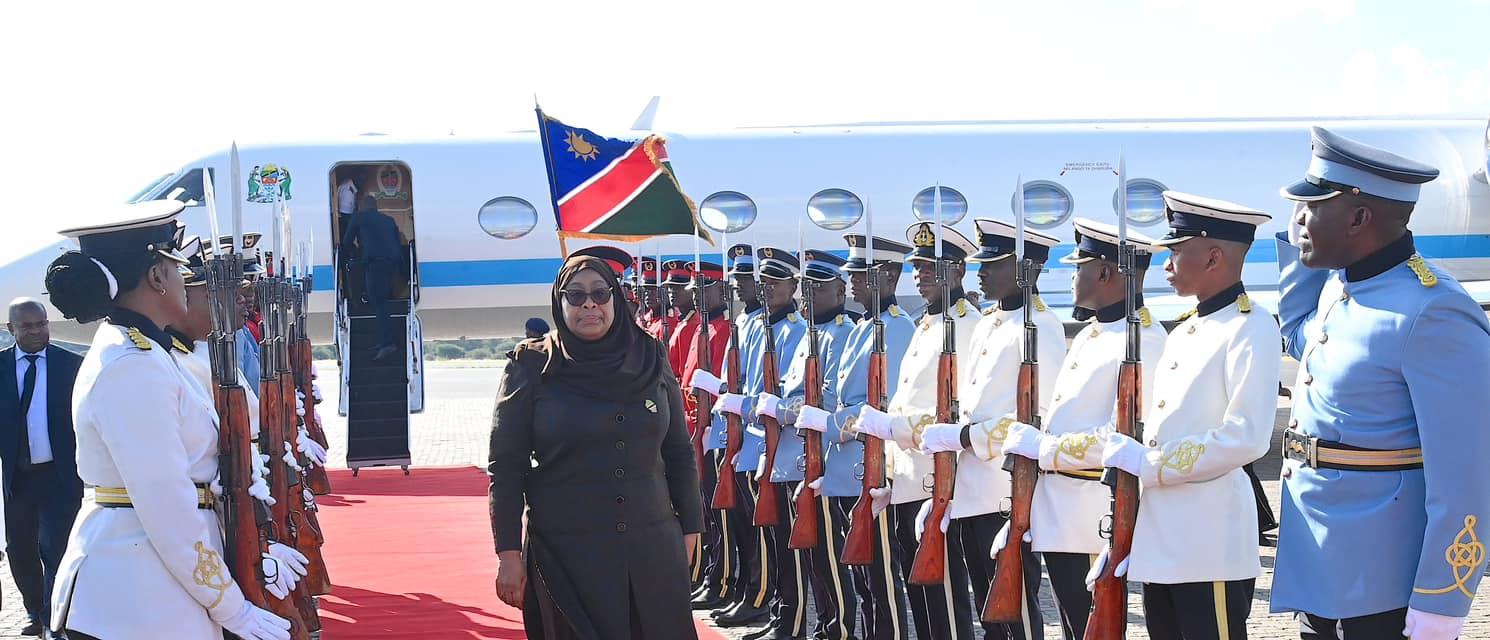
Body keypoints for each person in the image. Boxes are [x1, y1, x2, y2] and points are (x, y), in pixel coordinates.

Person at [1272, 127, 1490, 639]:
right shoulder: (1340, 287)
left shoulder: (1434, 310)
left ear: (1358, 218)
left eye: (1312, 207)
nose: (1298, 218)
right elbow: (1300, 336)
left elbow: (1467, 474)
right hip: (1319, 567)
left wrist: (1442, 600)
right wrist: (1298, 248)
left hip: (1384, 583)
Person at [43, 200, 292, 640]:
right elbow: (167, 507)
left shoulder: (147, 354)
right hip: (136, 598)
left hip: (154, 589)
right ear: (157, 277)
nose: (184, 277)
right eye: (177, 266)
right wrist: (231, 607)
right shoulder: (132, 365)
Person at [488, 255, 704, 639]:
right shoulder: (532, 365)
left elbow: (679, 452)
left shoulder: (650, 356)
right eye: (576, 295)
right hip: (566, 555)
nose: (589, 304)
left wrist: (690, 529)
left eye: (600, 294)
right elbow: (506, 468)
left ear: (615, 299)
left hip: (652, 550)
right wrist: (508, 554)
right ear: (560, 302)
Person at [1099, 191, 1278, 640]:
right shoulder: (1186, 329)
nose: (1166, 264)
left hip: (1208, 545)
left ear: (1214, 257)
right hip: (1161, 542)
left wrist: (1151, 464)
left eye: (1177, 252)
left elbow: (1247, 436)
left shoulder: (1250, 326)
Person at [996, 219, 1169, 640]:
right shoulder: (1094, 334)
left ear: (1106, 272)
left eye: (1079, 268)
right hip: (1060, 512)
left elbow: (1123, 437)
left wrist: (1046, 449)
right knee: (1075, 627)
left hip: (1094, 512)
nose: (1071, 278)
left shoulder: (1143, 339)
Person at [920, 218, 1065, 640]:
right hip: (971, 487)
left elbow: (1038, 415)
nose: (980, 272)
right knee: (989, 609)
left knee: (1013, 610)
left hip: (1005, 489)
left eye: (992, 264)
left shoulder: (1039, 327)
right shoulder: (988, 323)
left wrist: (967, 437)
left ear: (1026, 269)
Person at [856, 221, 980, 639]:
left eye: (931, 267)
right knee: (921, 597)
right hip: (909, 480)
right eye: (918, 267)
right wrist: (891, 475)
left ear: (958, 270)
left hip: (939, 480)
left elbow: (958, 411)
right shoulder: (927, 323)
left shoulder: (965, 326)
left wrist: (893, 427)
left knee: (944, 600)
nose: (920, 274)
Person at [808, 233, 914, 640]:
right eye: (851, 274)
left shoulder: (897, 329)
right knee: (860, 577)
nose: (852, 281)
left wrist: (831, 424)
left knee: (880, 578)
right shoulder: (861, 327)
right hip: (845, 468)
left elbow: (886, 405)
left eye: (860, 274)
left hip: (871, 467)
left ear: (888, 277)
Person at [756, 249, 859, 640]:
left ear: (840, 291)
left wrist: (781, 409)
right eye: (809, 286)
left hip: (819, 458)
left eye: (821, 286)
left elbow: (824, 402)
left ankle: (838, 629)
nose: (812, 293)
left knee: (829, 557)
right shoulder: (812, 333)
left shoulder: (841, 332)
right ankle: (819, 625)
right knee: (807, 555)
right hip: (792, 456)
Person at [2, 297, 83, 637]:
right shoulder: (1, 367)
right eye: (27, 326)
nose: (36, 332)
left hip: (60, 475)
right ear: (11, 328)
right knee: (19, 549)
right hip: (18, 477)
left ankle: (54, 618)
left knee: (56, 547)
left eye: (41, 324)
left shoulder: (71, 365)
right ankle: (34, 609)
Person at [678, 260, 732, 610]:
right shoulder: (702, 328)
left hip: (713, 428)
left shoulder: (724, 329)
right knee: (704, 512)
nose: (696, 295)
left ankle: (723, 581)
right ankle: (711, 575)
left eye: (703, 288)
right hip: (694, 428)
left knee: (720, 515)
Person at [341, 195, 404, 362]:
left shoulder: (358, 218)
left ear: (361, 206)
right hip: (391, 265)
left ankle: (387, 343)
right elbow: (397, 244)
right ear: (375, 207)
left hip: (374, 264)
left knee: (379, 303)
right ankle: (384, 341)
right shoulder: (389, 220)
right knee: (381, 302)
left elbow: (346, 242)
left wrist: (351, 254)